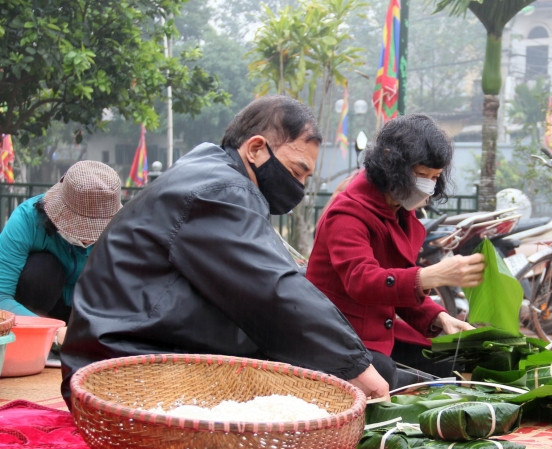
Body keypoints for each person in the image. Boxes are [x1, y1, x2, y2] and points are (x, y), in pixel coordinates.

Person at [59, 95, 389, 407]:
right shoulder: (220, 190)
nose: (299, 187)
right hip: (123, 370)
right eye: (295, 171)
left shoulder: (211, 175)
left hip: (129, 352)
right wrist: (353, 362)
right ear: (256, 149)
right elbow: (271, 288)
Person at [305, 114, 485, 389]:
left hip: (378, 332)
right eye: (421, 174)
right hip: (339, 337)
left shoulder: (398, 211)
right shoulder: (348, 213)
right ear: (391, 164)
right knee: (385, 374)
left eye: (435, 177)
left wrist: (440, 317)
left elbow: (399, 286)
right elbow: (362, 280)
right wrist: (429, 276)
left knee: (458, 359)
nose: (428, 184)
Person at [0, 161, 123, 346]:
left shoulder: (123, 232)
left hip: (87, 313)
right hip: (32, 315)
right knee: (42, 268)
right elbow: (2, 297)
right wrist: (52, 330)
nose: (87, 240)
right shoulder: (26, 219)